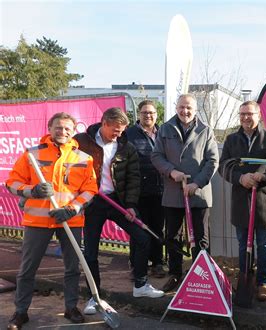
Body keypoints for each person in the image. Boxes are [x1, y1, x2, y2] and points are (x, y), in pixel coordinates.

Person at [6, 112, 98, 329]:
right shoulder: (31, 154)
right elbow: (12, 182)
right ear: (49, 128)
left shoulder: (84, 159)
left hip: (70, 221)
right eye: (58, 127)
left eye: (67, 128)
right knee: (28, 269)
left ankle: (71, 307)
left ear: (74, 131)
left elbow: (90, 190)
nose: (63, 132)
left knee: (72, 268)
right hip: (38, 222)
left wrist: (72, 209)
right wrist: (33, 190)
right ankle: (21, 312)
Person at [75, 107, 164, 316]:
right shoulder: (81, 142)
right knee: (90, 251)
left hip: (118, 200)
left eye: (122, 130)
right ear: (104, 123)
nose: (119, 134)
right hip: (92, 201)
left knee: (142, 238)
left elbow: (133, 178)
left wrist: (131, 205)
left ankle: (141, 285)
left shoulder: (126, 146)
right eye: (115, 130)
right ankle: (94, 297)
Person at [151, 93, 219, 292]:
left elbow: (212, 161)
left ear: (195, 109)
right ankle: (175, 274)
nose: (185, 111)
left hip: (199, 194)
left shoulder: (205, 130)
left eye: (189, 107)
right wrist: (172, 172)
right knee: (172, 236)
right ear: (176, 108)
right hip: (173, 192)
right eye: (181, 107)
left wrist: (196, 183)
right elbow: (156, 156)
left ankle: (202, 275)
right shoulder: (165, 129)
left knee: (200, 238)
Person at [218, 101, 266, 302]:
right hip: (240, 199)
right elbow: (223, 167)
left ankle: (263, 282)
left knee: (264, 245)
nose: (246, 117)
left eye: (250, 114)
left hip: (264, 200)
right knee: (243, 244)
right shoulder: (231, 140)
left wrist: (264, 178)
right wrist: (240, 178)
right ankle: (246, 278)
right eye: (242, 114)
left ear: (259, 115)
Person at [126, 100, 166, 278]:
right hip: (138, 192)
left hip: (160, 191)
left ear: (156, 114)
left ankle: (158, 263)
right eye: (144, 112)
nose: (148, 115)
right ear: (139, 115)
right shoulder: (128, 134)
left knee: (158, 228)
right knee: (138, 231)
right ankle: (137, 266)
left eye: (151, 112)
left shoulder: (163, 133)